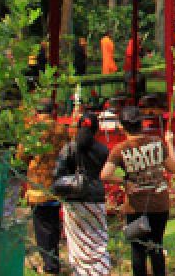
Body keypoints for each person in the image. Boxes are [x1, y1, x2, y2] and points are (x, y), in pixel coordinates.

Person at [101, 106, 175, 276]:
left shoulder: (120, 149)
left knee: (138, 250)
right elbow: (173, 168)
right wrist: (170, 143)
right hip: (160, 203)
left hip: (136, 206)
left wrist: (124, 181)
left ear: (122, 126)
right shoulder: (156, 143)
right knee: (156, 246)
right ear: (142, 123)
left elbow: (105, 174)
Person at [54, 112, 110, 276]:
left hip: (74, 200)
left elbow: (58, 174)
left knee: (77, 243)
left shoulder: (69, 148)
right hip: (96, 200)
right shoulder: (103, 150)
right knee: (98, 240)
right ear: (96, 130)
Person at [22, 102, 70, 275]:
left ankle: (50, 265)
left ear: (37, 112)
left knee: (42, 228)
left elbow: (22, 155)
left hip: (37, 187)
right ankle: (54, 260)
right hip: (57, 185)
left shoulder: (32, 131)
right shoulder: (62, 130)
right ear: (53, 111)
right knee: (53, 225)